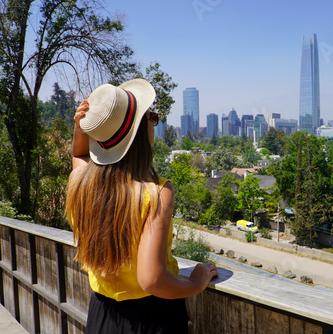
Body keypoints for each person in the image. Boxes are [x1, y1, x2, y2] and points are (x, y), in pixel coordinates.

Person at [65, 79, 218, 333]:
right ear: (138, 134)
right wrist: (195, 284)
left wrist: (81, 129)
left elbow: (78, 156)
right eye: (151, 117)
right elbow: (152, 280)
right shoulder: (156, 193)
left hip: (102, 315)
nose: (154, 123)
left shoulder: (79, 184)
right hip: (152, 319)